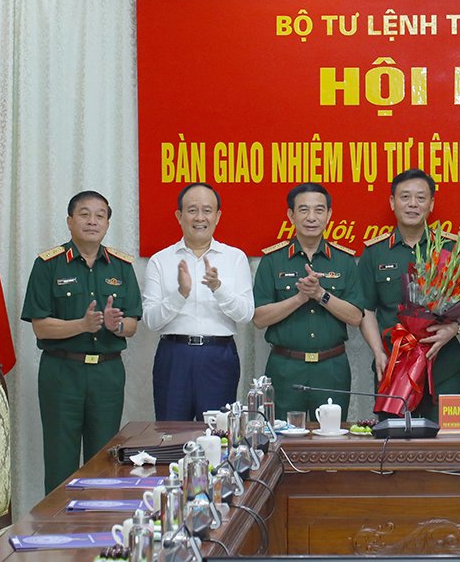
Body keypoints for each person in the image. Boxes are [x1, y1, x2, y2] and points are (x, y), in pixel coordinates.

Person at [21, 191, 141, 493]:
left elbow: (132, 325)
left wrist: (116, 326)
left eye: (100, 215)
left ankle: (100, 534)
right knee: (61, 460)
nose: (92, 221)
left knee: (104, 460)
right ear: (70, 221)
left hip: (107, 375)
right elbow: (41, 327)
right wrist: (82, 325)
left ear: (108, 223)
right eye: (84, 214)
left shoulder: (121, 267)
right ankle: (56, 536)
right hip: (62, 372)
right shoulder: (48, 265)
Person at [358, 168, 460, 421]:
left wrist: (455, 328)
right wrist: (379, 352)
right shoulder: (375, 253)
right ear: (392, 202)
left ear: (431, 203)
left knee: (444, 448)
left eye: (421, 198)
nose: (412, 204)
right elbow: (365, 309)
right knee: (394, 446)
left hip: (442, 364)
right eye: (405, 197)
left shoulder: (451, 249)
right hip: (392, 367)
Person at [143, 183, 253, 421]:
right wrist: (180, 293)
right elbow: (150, 321)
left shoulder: (235, 258)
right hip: (174, 356)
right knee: (170, 435)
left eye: (207, 210)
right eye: (192, 210)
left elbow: (245, 315)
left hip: (218, 357)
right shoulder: (160, 261)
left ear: (218, 216)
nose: (200, 217)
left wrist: (218, 288)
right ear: (179, 216)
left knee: (217, 434)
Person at [253, 183, 362, 421]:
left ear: (329, 215)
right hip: (285, 368)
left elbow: (355, 317)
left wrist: (321, 294)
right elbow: (259, 318)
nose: (311, 217)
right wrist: (301, 297)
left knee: (331, 443)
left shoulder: (344, 261)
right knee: (282, 440)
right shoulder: (273, 261)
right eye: (303, 210)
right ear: (291, 215)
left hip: (331, 369)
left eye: (319, 210)